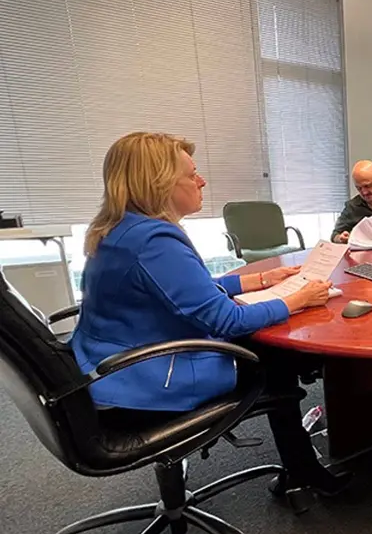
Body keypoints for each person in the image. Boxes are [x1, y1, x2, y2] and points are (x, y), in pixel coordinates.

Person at [71, 132, 349, 507]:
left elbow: (180, 288)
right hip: (142, 378)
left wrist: (259, 279)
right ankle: (304, 469)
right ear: (160, 183)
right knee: (279, 358)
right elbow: (226, 321)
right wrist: (298, 298)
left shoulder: (124, 231)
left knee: (275, 345)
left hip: (104, 367)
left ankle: (302, 460)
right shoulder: (155, 241)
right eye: (193, 174)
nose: (201, 181)